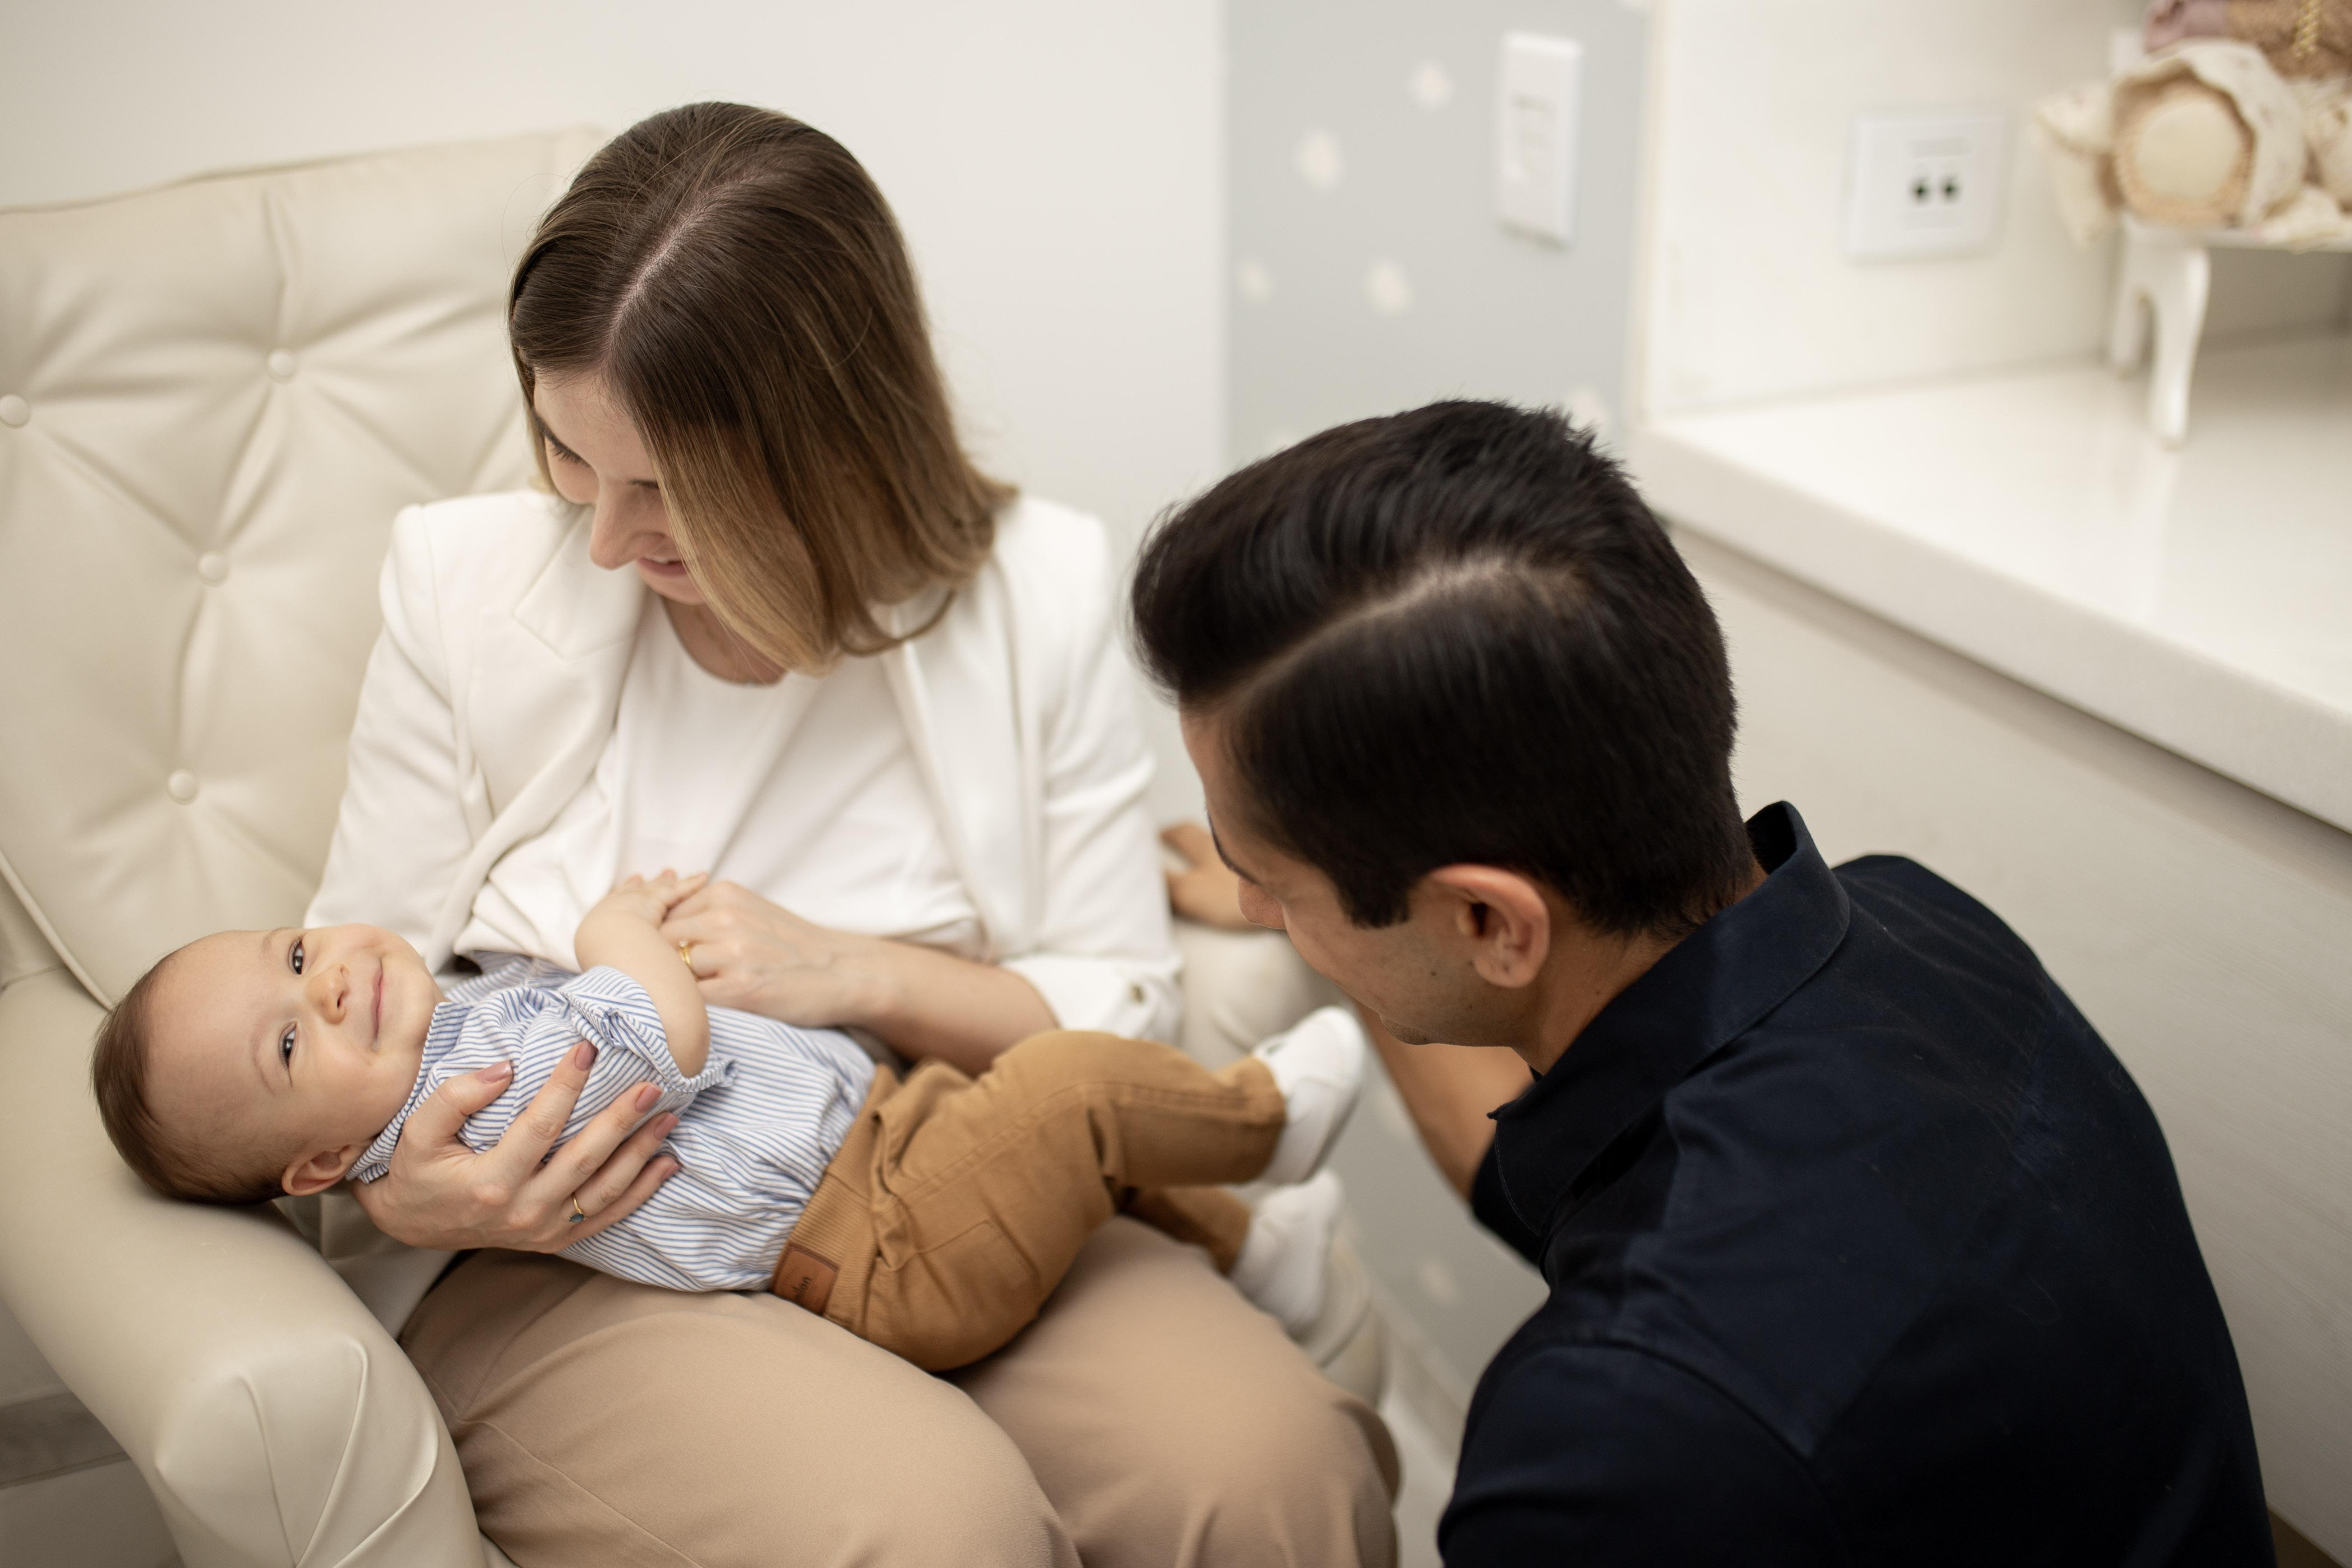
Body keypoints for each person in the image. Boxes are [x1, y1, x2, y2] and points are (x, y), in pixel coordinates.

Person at [305, 102, 1398, 1566]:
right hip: (572, 1237)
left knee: (1270, 1476)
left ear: (834, 448)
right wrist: (402, 1185)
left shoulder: (1037, 593)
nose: (609, 539)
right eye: (572, 458)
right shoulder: (460, 589)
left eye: (669, 493)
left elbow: (1116, 994)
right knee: (935, 1527)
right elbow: (343, 976)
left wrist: (849, 973)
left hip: (929, 1162)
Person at [1130, 399, 2275, 1566]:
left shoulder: (1609, 1448)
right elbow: (1588, 1178)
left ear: (1487, 919)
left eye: (1264, 876)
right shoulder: (1923, 931)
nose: (1259, 910)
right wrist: (1340, 928)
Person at [91, 875, 1363, 1360]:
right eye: (287, 1037)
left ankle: (1259, 1253)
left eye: (293, 948)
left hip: (883, 1141)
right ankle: (1263, 1121)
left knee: (1088, 1162)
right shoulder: (462, 1108)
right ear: (317, 1159)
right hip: (883, 1239)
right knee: (1071, 1095)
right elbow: (662, 1042)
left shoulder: (458, 1020)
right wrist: (613, 935)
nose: (323, 979)